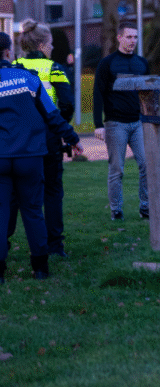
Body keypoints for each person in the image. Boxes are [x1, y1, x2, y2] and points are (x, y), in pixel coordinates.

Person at [0, 32, 83, 283]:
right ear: (8, 52)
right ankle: (40, 268)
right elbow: (52, 114)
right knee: (33, 211)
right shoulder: (29, 79)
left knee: (1, 212)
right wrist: (73, 138)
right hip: (30, 156)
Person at [8, 20, 74, 257]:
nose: (53, 47)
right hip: (48, 137)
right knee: (53, 191)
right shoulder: (54, 68)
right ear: (42, 44)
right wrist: (59, 129)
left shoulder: (13, 67)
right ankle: (55, 245)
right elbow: (67, 104)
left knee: (14, 194)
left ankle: (4, 242)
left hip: (19, 140)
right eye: (51, 43)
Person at [94, 22, 150, 221]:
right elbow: (98, 94)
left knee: (146, 165)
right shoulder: (107, 63)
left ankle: (146, 208)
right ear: (119, 38)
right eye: (129, 37)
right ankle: (116, 210)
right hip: (115, 124)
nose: (132, 40)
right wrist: (98, 125)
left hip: (138, 123)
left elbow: (148, 93)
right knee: (117, 169)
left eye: (135, 37)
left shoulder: (142, 63)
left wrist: (148, 118)